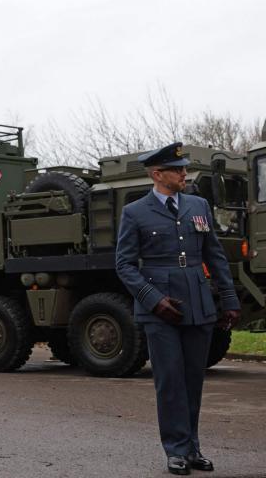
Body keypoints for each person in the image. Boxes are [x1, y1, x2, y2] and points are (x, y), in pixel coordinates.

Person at [116, 142, 241, 476]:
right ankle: (175, 450)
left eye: (184, 169)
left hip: (197, 302)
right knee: (170, 381)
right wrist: (153, 299)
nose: (185, 174)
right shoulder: (135, 212)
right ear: (158, 175)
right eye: (177, 170)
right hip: (160, 307)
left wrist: (228, 299)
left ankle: (192, 447)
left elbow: (214, 255)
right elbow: (125, 265)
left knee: (192, 381)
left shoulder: (198, 205)